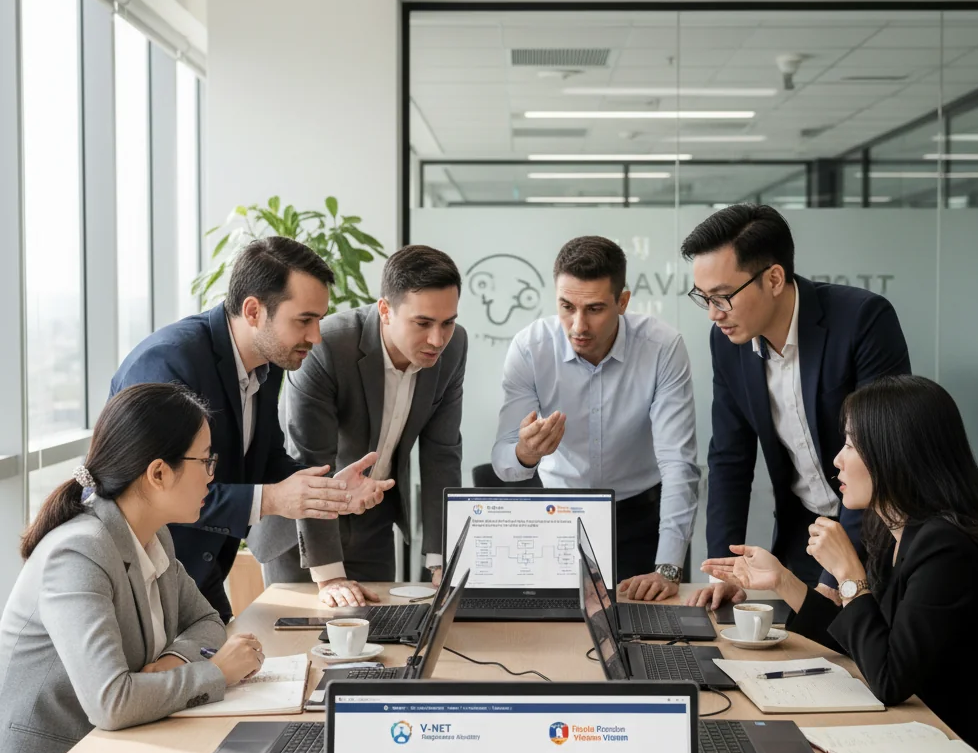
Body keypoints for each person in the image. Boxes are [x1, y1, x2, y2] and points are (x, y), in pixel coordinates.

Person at [701, 375, 978, 753]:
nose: (837, 459)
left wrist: (851, 576)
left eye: (851, 444)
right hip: (936, 740)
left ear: (895, 453)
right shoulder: (898, 529)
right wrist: (783, 581)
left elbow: (889, 678)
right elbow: (865, 644)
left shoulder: (946, 546)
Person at [0, 384, 266, 753]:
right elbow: (112, 702)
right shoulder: (79, 552)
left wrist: (170, 663)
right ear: (159, 473)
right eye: (205, 460)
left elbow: (207, 620)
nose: (212, 474)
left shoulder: (152, 534)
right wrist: (218, 672)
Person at [110, 237, 391, 622]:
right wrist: (274, 500)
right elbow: (156, 490)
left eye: (319, 320)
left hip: (198, 581)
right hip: (141, 586)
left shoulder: (267, 363)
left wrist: (326, 492)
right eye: (304, 320)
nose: (316, 337)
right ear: (254, 310)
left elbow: (268, 457)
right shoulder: (170, 361)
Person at [680, 204, 911, 610]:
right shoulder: (728, 343)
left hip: (877, 530)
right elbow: (730, 458)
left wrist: (836, 575)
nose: (714, 314)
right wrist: (727, 568)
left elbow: (880, 453)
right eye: (704, 298)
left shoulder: (861, 320)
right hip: (803, 534)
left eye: (723, 297)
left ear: (773, 278)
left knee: (871, 659)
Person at [249, 245, 466, 606]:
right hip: (302, 527)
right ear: (385, 311)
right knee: (302, 645)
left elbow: (442, 454)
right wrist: (331, 575)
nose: (437, 340)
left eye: (448, 322)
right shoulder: (329, 345)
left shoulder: (453, 349)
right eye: (423, 323)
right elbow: (309, 459)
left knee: (383, 637)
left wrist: (442, 560)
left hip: (373, 520)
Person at [491, 235, 700, 601]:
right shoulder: (531, 348)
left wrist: (668, 567)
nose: (578, 326)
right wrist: (526, 453)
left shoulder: (662, 347)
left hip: (641, 520)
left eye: (595, 309)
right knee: (551, 640)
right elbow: (503, 461)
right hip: (557, 519)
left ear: (622, 302)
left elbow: (678, 463)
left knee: (650, 639)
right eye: (566, 306)